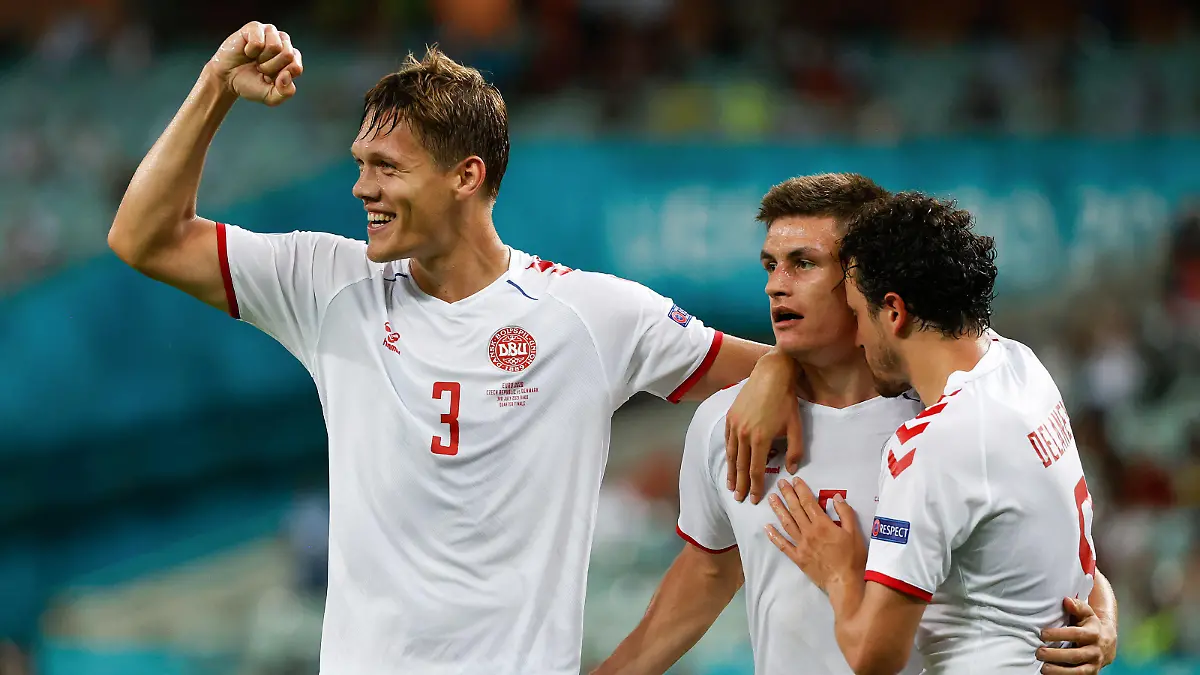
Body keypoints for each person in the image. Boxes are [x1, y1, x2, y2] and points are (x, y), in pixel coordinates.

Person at [106, 22, 789, 675]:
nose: (361, 187)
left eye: (386, 167)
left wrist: (774, 376)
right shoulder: (326, 283)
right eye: (359, 164)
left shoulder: (593, 314)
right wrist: (215, 85)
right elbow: (145, 237)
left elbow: (801, 372)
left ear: (465, 176)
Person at [593, 175, 1118, 675]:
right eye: (770, 265)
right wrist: (774, 365)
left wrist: (1104, 623)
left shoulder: (940, 421)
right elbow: (708, 571)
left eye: (804, 263)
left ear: (863, 280)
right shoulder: (728, 422)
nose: (777, 285)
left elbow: (1054, 543)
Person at [764, 192, 1117, 674]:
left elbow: (874, 657)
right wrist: (1107, 623)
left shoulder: (932, 447)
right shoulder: (1022, 368)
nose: (859, 336)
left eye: (859, 315)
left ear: (893, 311)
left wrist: (839, 572)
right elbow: (1080, 564)